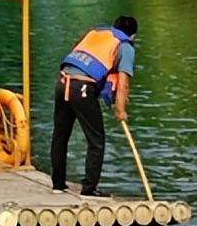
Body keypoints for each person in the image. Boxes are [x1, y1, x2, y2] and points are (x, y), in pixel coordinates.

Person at [50, 15, 138, 196]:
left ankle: (58, 184)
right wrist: (120, 110)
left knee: (60, 136)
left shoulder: (95, 32)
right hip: (82, 88)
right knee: (96, 141)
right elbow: (123, 83)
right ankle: (89, 188)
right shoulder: (125, 46)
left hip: (62, 83)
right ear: (133, 36)